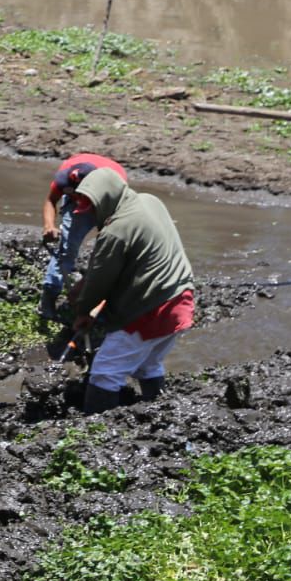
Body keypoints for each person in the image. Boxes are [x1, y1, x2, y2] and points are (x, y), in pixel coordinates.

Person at [69, 167, 193, 414]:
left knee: (105, 373)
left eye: (92, 209)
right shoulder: (150, 200)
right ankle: (158, 412)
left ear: (105, 201)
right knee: (148, 363)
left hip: (152, 309)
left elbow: (99, 281)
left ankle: (93, 433)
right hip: (182, 295)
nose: (91, 217)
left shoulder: (116, 230)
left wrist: (83, 311)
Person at [38, 153, 127, 320]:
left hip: (106, 204)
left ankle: (98, 301)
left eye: (81, 195)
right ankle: (49, 297)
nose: (78, 198)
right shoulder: (65, 177)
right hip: (81, 202)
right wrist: (49, 226)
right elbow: (51, 200)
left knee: (107, 255)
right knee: (67, 249)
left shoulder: (114, 186)